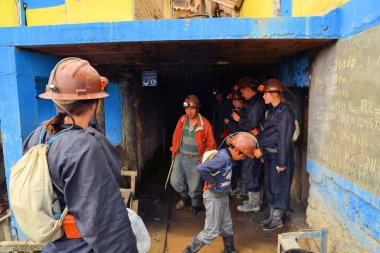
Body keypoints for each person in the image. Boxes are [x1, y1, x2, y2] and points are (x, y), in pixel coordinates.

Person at [23, 58, 138, 252]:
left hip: (54, 244)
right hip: (82, 246)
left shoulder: (39, 135)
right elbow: (107, 225)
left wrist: (94, 92)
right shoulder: (84, 148)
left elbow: (81, 130)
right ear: (95, 104)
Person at [183, 132, 257, 253]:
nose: (243, 158)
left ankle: (229, 249)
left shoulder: (227, 156)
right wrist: (211, 181)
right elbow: (201, 168)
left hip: (222, 197)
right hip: (214, 199)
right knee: (210, 232)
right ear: (237, 151)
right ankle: (188, 251)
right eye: (243, 156)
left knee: (227, 226)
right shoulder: (223, 158)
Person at [254, 79, 296, 230]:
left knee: (279, 187)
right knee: (271, 185)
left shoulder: (285, 112)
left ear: (274, 94)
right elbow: (269, 134)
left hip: (280, 156)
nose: (263, 96)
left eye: (266, 93)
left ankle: (278, 219)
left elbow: (284, 138)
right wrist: (263, 152)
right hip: (270, 155)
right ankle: (272, 216)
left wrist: (282, 162)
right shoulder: (272, 110)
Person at [170, 95, 217, 214]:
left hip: (196, 159)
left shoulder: (204, 124)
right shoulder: (182, 120)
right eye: (187, 109)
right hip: (180, 156)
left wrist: (205, 159)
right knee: (175, 181)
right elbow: (176, 137)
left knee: (195, 186)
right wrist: (174, 153)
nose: (189, 112)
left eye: (192, 109)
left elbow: (211, 145)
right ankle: (185, 198)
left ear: (197, 109)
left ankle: (195, 204)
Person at [233, 77, 266, 213]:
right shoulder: (252, 103)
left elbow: (251, 124)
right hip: (251, 141)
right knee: (250, 171)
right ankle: (254, 200)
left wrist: (239, 119)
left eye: (242, 91)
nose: (242, 95)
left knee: (249, 172)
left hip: (255, 142)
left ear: (247, 89)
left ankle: (255, 204)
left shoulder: (256, 103)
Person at [224, 91, 246, 197]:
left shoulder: (243, 113)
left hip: (243, 144)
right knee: (237, 167)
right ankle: (239, 187)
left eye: (235, 101)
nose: (233, 103)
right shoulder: (238, 111)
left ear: (241, 101)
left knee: (243, 167)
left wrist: (230, 123)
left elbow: (241, 129)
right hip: (238, 143)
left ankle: (243, 190)